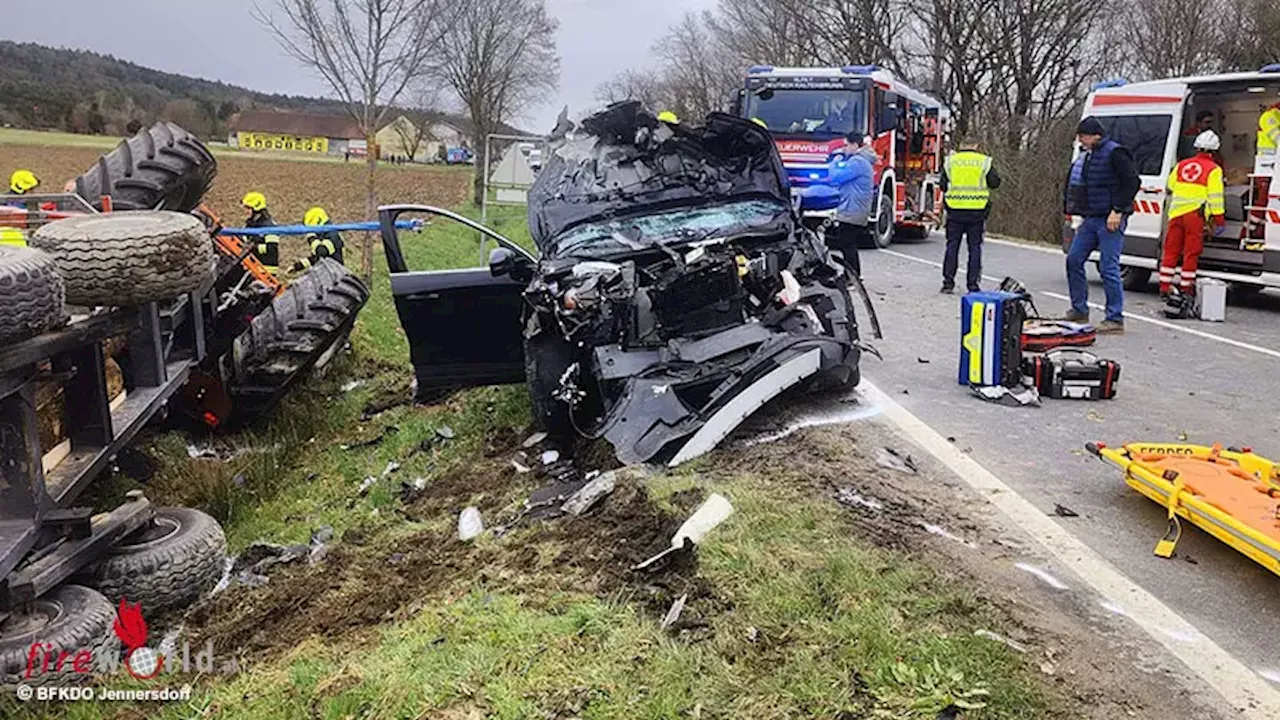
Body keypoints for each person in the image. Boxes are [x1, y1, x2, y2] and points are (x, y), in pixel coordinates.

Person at [1063, 116, 1140, 334]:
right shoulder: (1090, 155)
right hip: (1092, 217)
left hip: (1111, 217)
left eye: (1083, 137)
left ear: (1094, 135)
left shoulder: (1115, 153)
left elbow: (1132, 182)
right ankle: (1079, 309)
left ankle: (1115, 318)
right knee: (1074, 259)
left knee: (1108, 267)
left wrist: (1118, 210)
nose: (1081, 142)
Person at [1161, 130, 1226, 297]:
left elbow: (1171, 185)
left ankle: (1164, 287)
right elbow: (1215, 197)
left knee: (1171, 250)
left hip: (1176, 213)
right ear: (1214, 150)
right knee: (1191, 252)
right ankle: (1186, 288)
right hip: (1195, 214)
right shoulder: (1214, 169)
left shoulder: (1182, 165)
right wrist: (1219, 220)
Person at [939, 139, 1000, 293]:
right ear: (976, 146)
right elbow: (995, 182)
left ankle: (948, 283)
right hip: (977, 212)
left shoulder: (951, 162)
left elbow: (943, 185)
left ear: (960, 146)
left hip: (955, 210)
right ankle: (973, 285)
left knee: (952, 246)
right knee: (974, 248)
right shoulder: (984, 162)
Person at [828, 135, 877, 280]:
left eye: (846, 145)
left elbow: (835, 177)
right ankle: (851, 274)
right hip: (855, 207)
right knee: (847, 243)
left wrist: (834, 162)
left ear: (855, 145)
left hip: (852, 209)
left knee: (846, 243)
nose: (844, 148)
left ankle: (852, 275)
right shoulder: (862, 161)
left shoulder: (857, 162)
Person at [290, 206, 345, 272]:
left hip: (334, 274)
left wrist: (311, 237)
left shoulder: (332, 234)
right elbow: (317, 258)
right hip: (328, 272)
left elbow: (321, 252)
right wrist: (298, 266)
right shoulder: (324, 233)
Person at [241, 192, 280, 275]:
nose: (245, 211)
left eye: (248, 208)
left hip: (266, 270)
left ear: (256, 209)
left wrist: (254, 248)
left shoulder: (270, 226)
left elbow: (272, 248)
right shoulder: (249, 225)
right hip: (252, 267)